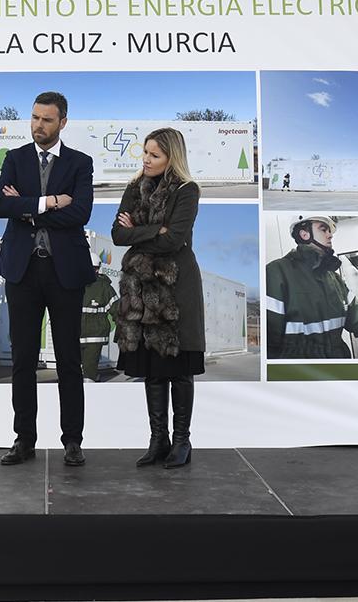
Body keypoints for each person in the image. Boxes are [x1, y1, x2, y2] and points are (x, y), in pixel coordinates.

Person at [0, 91, 95, 467]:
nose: (38, 125)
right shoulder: (15, 158)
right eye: (34, 118)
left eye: (47, 119)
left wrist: (29, 208)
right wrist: (50, 202)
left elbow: (81, 213)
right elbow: (2, 205)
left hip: (64, 271)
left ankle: (72, 441)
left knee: (69, 359)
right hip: (22, 270)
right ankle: (24, 440)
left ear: (62, 122)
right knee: (22, 358)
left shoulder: (80, 163)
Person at [112, 127, 205, 469]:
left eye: (154, 155)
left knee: (178, 369)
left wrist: (141, 232)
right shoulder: (135, 186)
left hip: (177, 286)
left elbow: (174, 240)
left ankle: (182, 441)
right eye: (145, 153)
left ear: (171, 158)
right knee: (152, 369)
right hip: (140, 287)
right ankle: (158, 440)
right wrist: (155, 230)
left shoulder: (187, 190)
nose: (146, 160)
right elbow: (118, 234)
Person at [265, 215, 358, 359]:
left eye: (330, 231)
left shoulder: (335, 280)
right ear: (304, 234)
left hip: (338, 364)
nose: (330, 235)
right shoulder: (277, 274)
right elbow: (269, 341)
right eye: (323, 230)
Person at [79, 252, 118, 382]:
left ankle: (90, 390)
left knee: (89, 371)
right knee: (73, 370)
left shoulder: (104, 287)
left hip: (94, 337)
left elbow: (117, 309)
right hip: (74, 335)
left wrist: (125, 330)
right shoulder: (73, 284)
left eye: (94, 268)